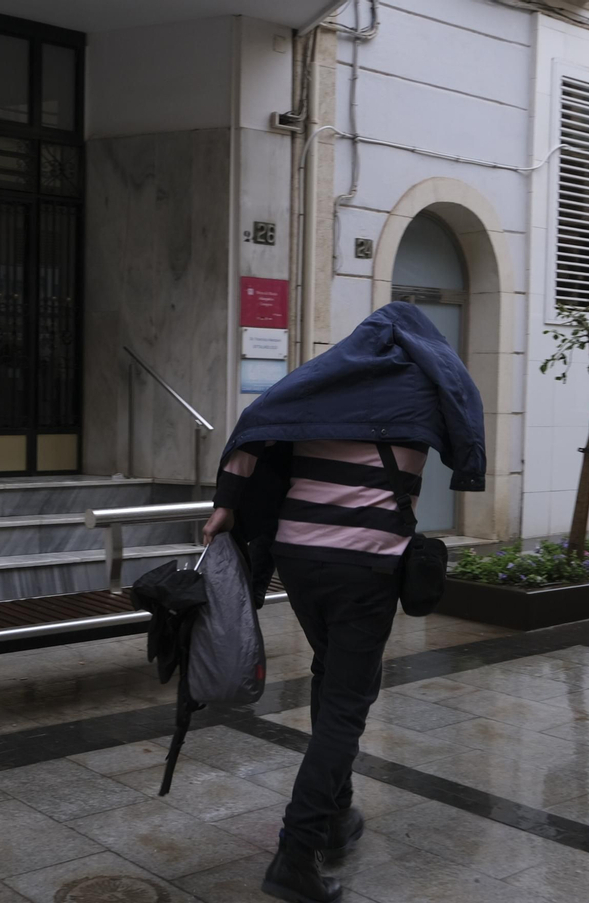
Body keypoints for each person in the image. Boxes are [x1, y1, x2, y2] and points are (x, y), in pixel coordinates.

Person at [203, 302, 485, 903]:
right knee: (347, 706)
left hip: (299, 557)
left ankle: (336, 813)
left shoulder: (323, 384)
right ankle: (296, 854)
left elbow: (258, 422)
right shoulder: (425, 387)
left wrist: (227, 500)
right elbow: (461, 419)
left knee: (332, 675)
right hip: (365, 563)